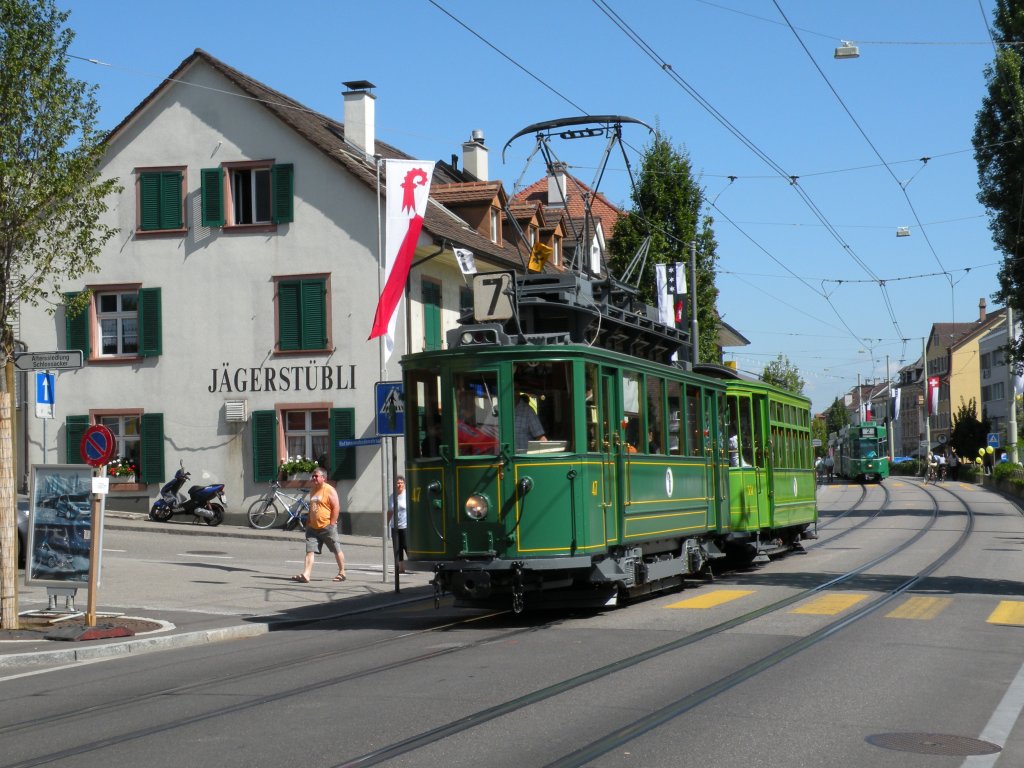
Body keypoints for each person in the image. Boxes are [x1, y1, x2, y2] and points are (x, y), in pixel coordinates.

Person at [292, 468, 346, 583]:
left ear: (323, 478)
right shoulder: (313, 490)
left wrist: (332, 524)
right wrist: (308, 522)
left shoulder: (329, 490)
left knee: (336, 549)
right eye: (313, 476)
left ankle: (342, 572)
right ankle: (306, 574)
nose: (314, 478)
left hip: (326, 526)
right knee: (310, 551)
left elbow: (336, 507)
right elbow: (312, 507)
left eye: (316, 476)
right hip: (313, 527)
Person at [387, 475, 408, 574]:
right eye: (398, 483)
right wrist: (386, 523)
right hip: (394, 526)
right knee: (397, 547)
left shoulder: (407, 496)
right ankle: (401, 567)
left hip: (405, 526)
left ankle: (414, 563)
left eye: (401, 483)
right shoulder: (392, 496)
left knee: (406, 545)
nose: (399, 485)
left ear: (404, 484)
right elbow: (390, 511)